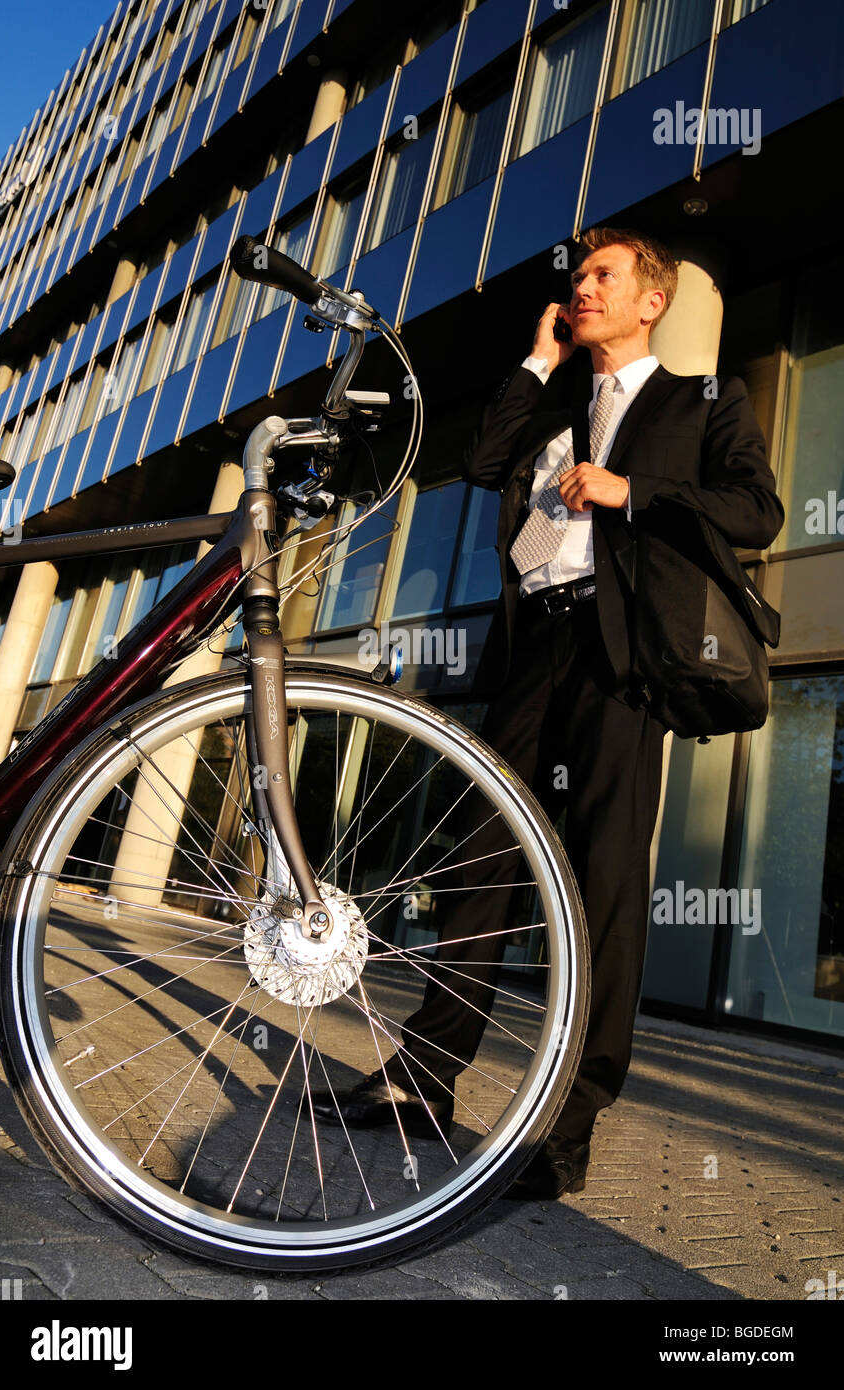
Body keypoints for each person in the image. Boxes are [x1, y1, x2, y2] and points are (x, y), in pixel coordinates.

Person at [314, 226, 785, 1197]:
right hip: (531, 657)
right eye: (574, 279)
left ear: (649, 299)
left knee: (602, 887)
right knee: (475, 865)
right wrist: (536, 360)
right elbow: (486, 462)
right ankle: (420, 1083)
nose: (580, 288)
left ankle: (566, 1124)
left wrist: (631, 490)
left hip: (620, 664)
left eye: (600, 277)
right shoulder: (554, 403)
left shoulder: (702, 399)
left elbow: (754, 510)